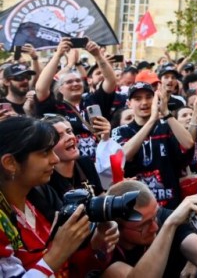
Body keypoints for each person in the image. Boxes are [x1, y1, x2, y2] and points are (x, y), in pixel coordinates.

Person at [0, 116, 119, 277]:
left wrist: (96, 243)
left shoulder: (38, 202)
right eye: (45, 152)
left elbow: (72, 270)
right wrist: (58, 251)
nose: (55, 159)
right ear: (10, 163)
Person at [102, 180, 197, 277]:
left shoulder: (165, 218)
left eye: (155, 217)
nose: (155, 227)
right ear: (117, 227)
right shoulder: (104, 247)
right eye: (144, 225)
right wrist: (170, 225)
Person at [111, 82, 195, 208]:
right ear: (129, 104)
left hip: (171, 205)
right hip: (137, 208)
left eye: (148, 97)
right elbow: (124, 155)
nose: (144, 103)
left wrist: (166, 112)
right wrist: (151, 120)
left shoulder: (167, 126)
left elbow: (188, 144)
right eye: (137, 99)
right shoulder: (120, 131)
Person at [34, 38, 118, 160]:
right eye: (69, 82)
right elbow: (40, 88)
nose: (75, 84)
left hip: (101, 164)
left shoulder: (93, 100)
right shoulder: (56, 107)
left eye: (78, 80)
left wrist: (98, 55)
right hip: (71, 165)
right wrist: (58, 55)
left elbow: (111, 81)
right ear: (60, 89)